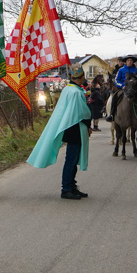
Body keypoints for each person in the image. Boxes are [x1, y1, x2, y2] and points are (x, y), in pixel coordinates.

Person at [28, 65, 92, 199]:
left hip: (71, 126)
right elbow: (82, 112)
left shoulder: (68, 89)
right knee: (71, 159)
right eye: (82, 78)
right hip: (75, 127)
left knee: (73, 159)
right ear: (80, 78)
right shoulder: (75, 92)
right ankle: (66, 188)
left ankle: (72, 186)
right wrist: (88, 125)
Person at [105, 55, 137, 122]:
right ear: (126, 62)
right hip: (123, 88)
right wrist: (122, 86)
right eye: (128, 60)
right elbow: (116, 80)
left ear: (133, 62)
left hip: (134, 89)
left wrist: (136, 86)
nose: (129, 62)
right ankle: (111, 114)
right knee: (114, 97)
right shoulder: (121, 70)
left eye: (131, 61)